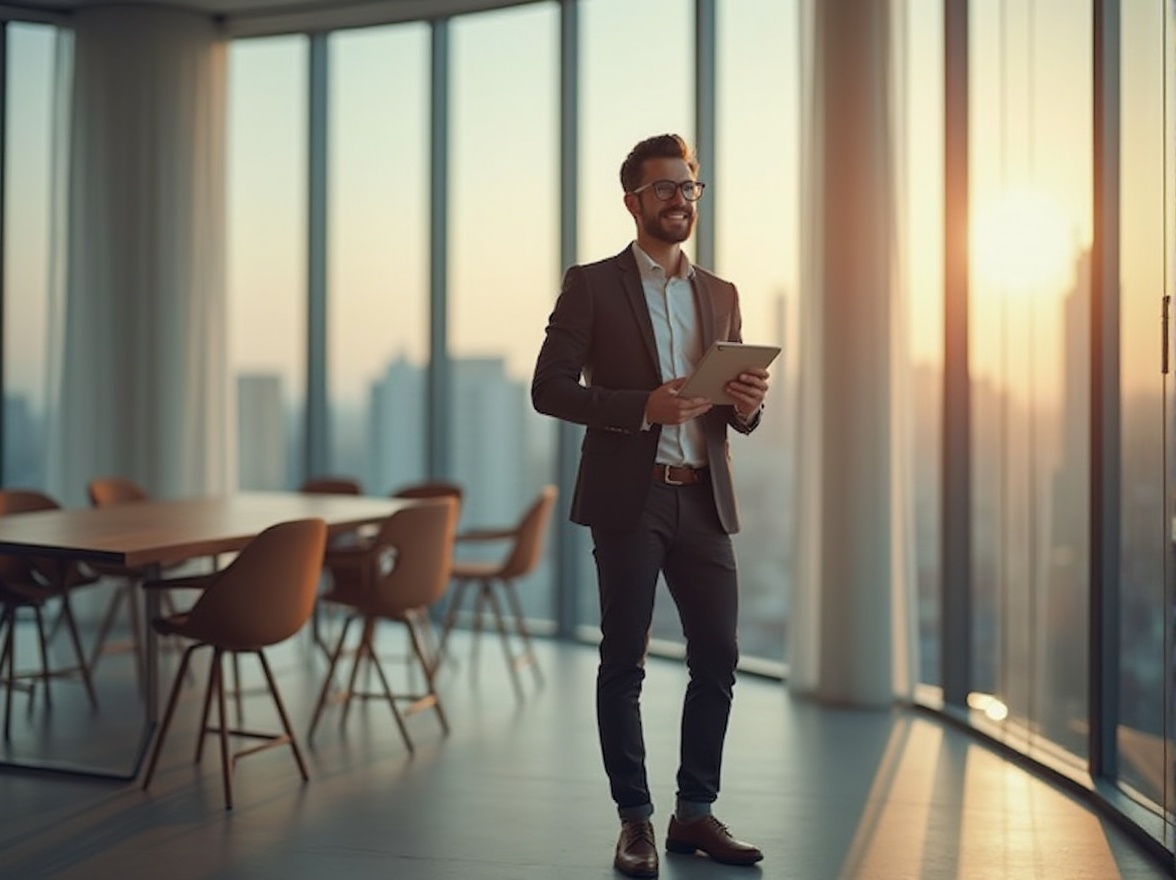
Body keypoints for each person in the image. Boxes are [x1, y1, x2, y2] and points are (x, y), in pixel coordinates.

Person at [531, 133, 769, 877]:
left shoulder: (721, 293)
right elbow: (549, 389)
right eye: (665, 188)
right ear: (633, 200)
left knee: (719, 658)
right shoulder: (593, 285)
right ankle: (635, 821)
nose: (680, 201)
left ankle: (694, 814)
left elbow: (731, 415)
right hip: (628, 503)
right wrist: (643, 406)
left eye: (689, 188)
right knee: (622, 663)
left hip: (703, 499)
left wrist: (749, 403)